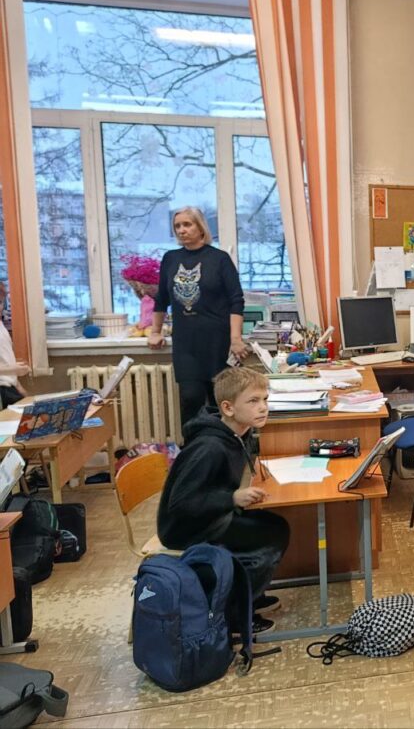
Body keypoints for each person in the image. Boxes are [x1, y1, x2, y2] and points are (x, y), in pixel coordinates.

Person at [157, 367, 290, 634]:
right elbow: (181, 504)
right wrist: (231, 498)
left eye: (265, 399)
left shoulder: (237, 432)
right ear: (228, 408)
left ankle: (251, 595)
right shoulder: (209, 447)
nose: (263, 407)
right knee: (268, 538)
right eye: (253, 401)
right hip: (186, 528)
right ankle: (236, 616)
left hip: (211, 513)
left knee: (276, 526)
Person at [149, 206, 248, 429]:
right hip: (186, 345)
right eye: (177, 226)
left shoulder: (219, 259)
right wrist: (155, 331)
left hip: (217, 343)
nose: (181, 230)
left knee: (221, 403)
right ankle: (194, 448)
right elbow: (161, 298)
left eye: (187, 224)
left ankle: (224, 447)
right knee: (190, 400)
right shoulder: (170, 259)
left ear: (201, 227)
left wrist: (236, 339)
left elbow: (236, 300)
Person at [0, 281, 30, 408]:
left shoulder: (1, 326)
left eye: (0, 302)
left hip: (10, 387)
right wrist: (13, 369)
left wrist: (18, 386)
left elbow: (5, 359)